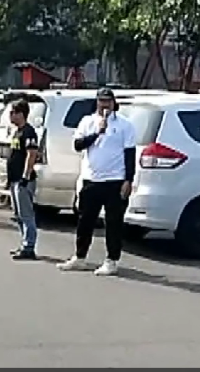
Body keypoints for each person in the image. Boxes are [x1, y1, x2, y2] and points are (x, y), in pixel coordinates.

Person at [58, 88, 136, 276]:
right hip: (91, 179)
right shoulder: (87, 122)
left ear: (113, 103)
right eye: (101, 101)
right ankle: (80, 256)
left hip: (115, 180)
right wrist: (97, 132)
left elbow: (130, 154)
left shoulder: (125, 125)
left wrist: (128, 180)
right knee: (85, 220)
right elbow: (78, 145)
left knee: (113, 222)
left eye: (108, 101)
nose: (104, 105)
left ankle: (112, 260)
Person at [6, 99, 41, 261]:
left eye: (13, 112)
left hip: (23, 180)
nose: (10, 116)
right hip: (14, 179)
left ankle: (29, 247)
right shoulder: (17, 131)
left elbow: (31, 154)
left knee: (26, 214)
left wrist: (25, 177)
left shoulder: (28, 132)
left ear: (21, 114)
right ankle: (24, 242)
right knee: (18, 215)